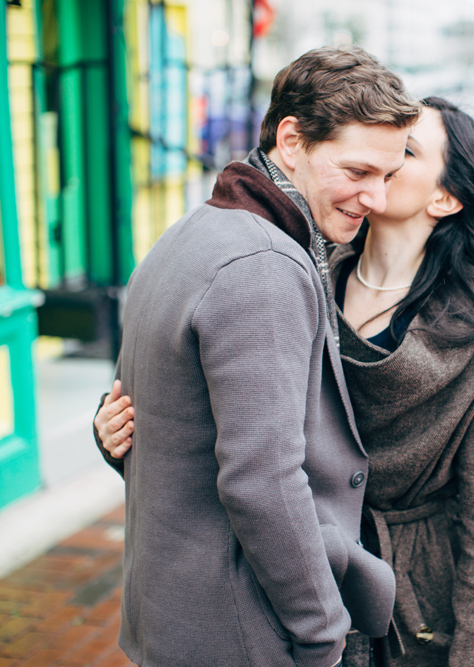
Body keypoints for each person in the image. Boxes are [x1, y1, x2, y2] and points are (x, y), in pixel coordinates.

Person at [97, 96, 474, 667]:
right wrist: (118, 431)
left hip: (412, 611)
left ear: (445, 196)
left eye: (405, 151)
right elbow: (227, 436)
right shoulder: (297, 274)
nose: (382, 159)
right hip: (288, 577)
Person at [92, 46, 421, 667]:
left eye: (389, 174)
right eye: (356, 172)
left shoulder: (193, 230)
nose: (375, 197)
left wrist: (103, 431)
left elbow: (157, 418)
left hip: (176, 618)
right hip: (241, 632)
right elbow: (262, 479)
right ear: (291, 140)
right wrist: (323, 633)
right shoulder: (265, 265)